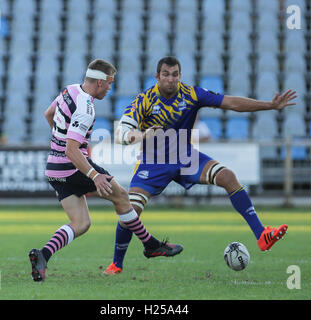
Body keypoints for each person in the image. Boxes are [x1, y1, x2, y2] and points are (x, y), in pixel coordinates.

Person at [103, 56, 296, 275]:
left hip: (186, 158)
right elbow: (120, 134)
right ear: (157, 76)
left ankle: (262, 235)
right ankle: (116, 264)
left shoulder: (191, 94)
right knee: (131, 210)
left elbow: (231, 102)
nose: (170, 79)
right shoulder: (144, 100)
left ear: (180, 76)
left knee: (228, 177)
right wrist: (142, 135)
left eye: (175, 74)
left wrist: (269, 105)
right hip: (153, 163)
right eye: (165, 74)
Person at [28, 59, 183, 282]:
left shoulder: (69, 90)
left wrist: (60, 138)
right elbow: (72, 151)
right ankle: (151, 245)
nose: (110, 88)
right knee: (121, 196)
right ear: (100, 82)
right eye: (109, 83)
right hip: (73, 166)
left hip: (54, 168)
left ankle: (43, 255)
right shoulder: (87, 108)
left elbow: (48, 114)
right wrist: (94, 175)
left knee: (81, 223)